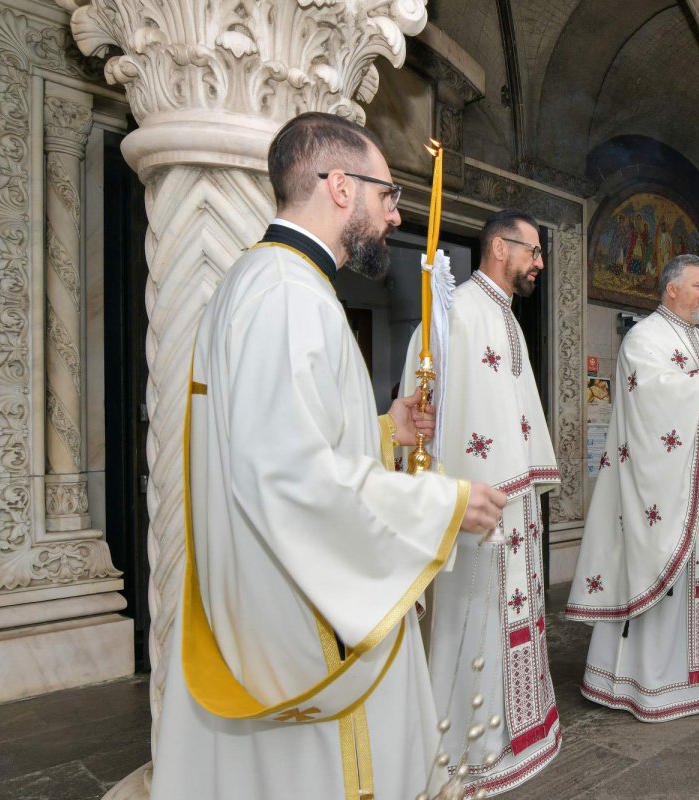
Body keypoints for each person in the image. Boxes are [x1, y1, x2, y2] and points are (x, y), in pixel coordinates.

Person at [150, 112, 507, 800]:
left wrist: (384, 429)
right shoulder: (287, 294)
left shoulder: (269, 283)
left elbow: (273, 439)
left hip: (264, 594)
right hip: (298, 618)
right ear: (340, 186)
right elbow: (289, 476)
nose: (396, 216)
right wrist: (446, 504)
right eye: (387, 196)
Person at [565, 254, 699, 721]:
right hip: (666, 491)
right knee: (667, 578)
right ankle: (653, 682)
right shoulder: (644, 337)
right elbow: (653, 396)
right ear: (672, 289)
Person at [404, 210, 562, 795]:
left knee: (507, 618)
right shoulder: (455, 311)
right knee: (472, 621)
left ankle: (517, 733)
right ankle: (464, 752)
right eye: (534, 250)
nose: (540, 262)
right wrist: (452, 495)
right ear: (500, 247)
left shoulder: (504, 315)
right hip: (475, 506)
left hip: (511, 503)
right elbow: (432, 413)